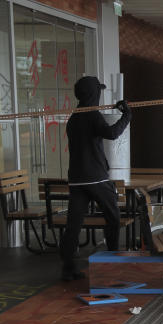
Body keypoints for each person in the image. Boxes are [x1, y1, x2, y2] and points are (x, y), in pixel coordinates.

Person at [60, 76, 131, 281]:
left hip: (76, 179)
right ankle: (112, 259)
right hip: (96, 179)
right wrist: (126, 115)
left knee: (74, 224)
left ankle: (68, 267)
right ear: (94, 93)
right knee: (113, 216)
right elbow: (112, 133)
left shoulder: (74, 117)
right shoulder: (92, 115)